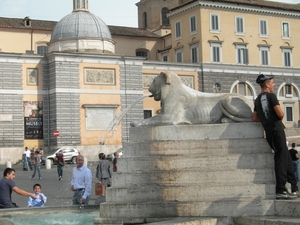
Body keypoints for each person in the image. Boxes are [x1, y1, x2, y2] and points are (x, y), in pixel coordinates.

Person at [252, 74, 300, 199]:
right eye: (272, 82)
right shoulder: (271, 96)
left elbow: (255, 118)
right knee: (280, 158)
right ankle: (280, 189)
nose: (274, 84)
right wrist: (277, 116)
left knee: (285, 156)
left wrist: (266, 119)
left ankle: (294, 186)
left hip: (268, 132)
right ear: (267, 84)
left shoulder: (257, 99)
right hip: (277, 129)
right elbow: (280, 114)